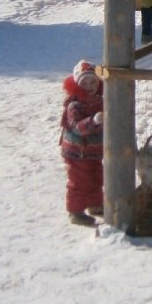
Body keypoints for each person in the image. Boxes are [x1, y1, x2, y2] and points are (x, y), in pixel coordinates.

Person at [59, 59, 104, 226]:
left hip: (94, 150)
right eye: (85, 82)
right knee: (79, 181)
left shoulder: (99, 100)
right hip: (77, 151)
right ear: (78, 84)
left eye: (93, 81)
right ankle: (75, 212)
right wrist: (94, 120)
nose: (90, 85)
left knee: (96, 177)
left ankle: (95, 204)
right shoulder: (74, 106)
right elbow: (77, 127)